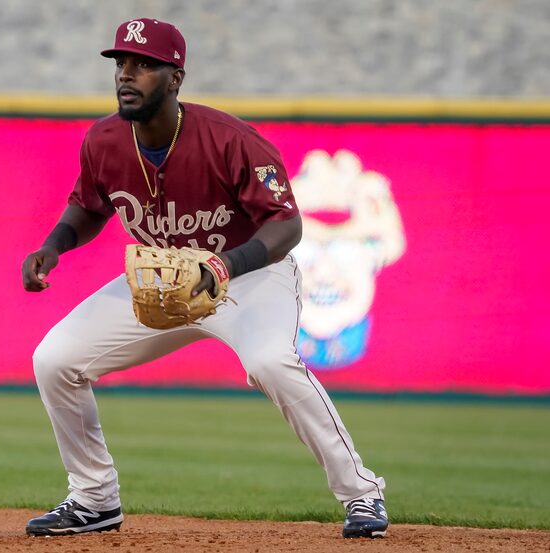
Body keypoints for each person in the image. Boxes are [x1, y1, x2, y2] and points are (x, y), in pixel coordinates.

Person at [21, 18, 388, 539]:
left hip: (248, 276)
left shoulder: (231, 140)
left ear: (175, 78)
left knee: (270, 361)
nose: (127, 75)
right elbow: (87, 205)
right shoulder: (104, 140)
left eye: (144, 65)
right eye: (121, 64)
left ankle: (362, 494)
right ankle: (94, 499)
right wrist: (53, 246)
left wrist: (224, 266)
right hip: (161, 278)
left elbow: (287, 225)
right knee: (55, 360)